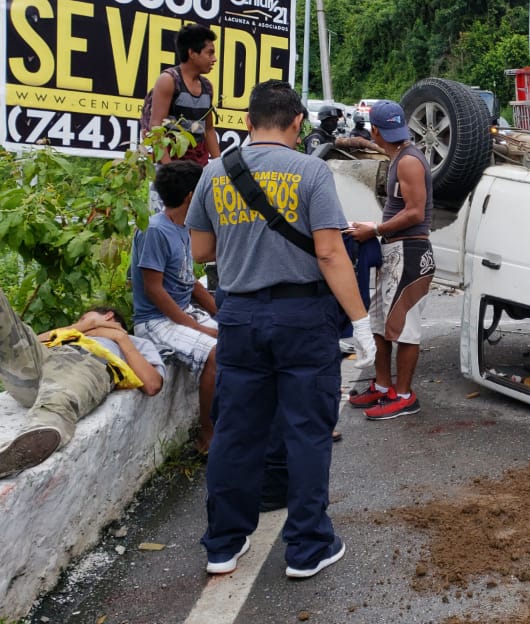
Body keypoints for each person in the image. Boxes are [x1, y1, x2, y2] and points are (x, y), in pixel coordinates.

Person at [186, 79, 376, 579]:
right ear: (297, 123)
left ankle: (223, 544)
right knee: (307, 432)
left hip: (240, 317)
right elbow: (331, 252)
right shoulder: (311, 170)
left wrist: (243, 243)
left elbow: (201, 252)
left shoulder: (215, 173)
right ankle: (307, 547)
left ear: (248, 122)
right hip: (302, 319)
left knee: (236, 431)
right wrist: (360, 321)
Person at [0, 276, 164, 481]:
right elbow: (35, 341)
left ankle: (31, 440)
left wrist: (119, 337)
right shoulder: (69, 333)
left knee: (60, 395)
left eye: (83, 318)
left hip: (85, 364)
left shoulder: (134, 342)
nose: (79, 323)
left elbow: (153, 384)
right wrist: (79, 328)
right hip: (38, 364)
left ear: (108, 316)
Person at [345, 100, 436, 421]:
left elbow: (414, 211)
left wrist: (375, 229)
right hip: (395, 250)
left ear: (374, 131)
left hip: (410, 252)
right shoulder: (399, 157)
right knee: (381, 324)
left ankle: (404, 395)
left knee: (405, 327)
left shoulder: (409, 162)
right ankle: (383, 387)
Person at [130, 161, 218, 454]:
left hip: (181, 313)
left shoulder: (183, 228)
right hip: (155, 321)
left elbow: (191, 282)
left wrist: (221, 313)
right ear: (192, 197)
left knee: (242, 335)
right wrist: (197, 327)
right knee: (215, 353)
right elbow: (154, 290)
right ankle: (207, 435)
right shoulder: (155, 230)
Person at [143, 24, 221, 165]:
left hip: (197, 165)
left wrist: (219, 166)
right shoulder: (169, 80)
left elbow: (208, 129)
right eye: (210, 53)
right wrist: (169, 171)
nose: (214, 59)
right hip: (171, 163)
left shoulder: (207, 87)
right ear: (192, 54)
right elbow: (156, 126)